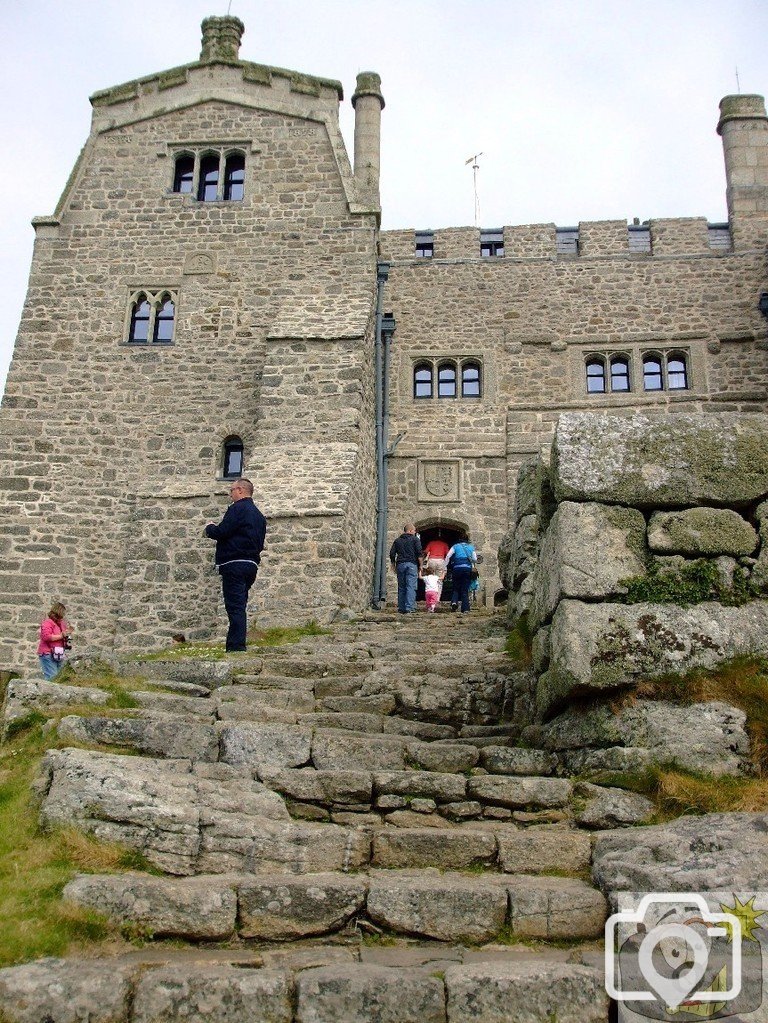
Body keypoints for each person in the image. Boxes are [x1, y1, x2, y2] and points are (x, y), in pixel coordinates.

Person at [205, 478, 267, 652]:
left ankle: (236, 646)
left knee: (235, 607)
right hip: (251, 565)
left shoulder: (238, 509)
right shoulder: (259, 516)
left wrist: (210, 528)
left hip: (234, 563)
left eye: (231, 490)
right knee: (240, 604)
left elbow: (222, 532)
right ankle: (236, 644)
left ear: (240, 490)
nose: (230, 494)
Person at [389, 523, 422, 614]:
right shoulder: (415, 540)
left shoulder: (397, 540)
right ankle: (409, 607)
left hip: (400, 564)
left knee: (402, 586)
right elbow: (419, 553)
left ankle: (401, 607)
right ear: (411, 530)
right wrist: (421, 566)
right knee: (411, 586)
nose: (415, 532)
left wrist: (393, 564)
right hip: (411, 564)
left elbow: (392, 553)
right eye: (414, 531)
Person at [38, 601, 71, 680]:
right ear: (59, 611)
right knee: (52, 677)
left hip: (58, 653)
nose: (64, 614)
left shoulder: (62, 624)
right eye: (63, 612)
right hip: (47, 653)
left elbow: (63, 635)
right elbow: (46, 637)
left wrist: (67, 635)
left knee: (58, 678)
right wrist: (61, 636)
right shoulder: (48, 623)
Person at [446, 533, 478, 614]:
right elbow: (475, 559)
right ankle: (465, 608)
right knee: (464, 589)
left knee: (455, 587)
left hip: (456, 568)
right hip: (467, 569)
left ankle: (454, 602)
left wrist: (445, 566)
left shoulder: (455, 546)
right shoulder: (471, 547)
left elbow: (448, 556)